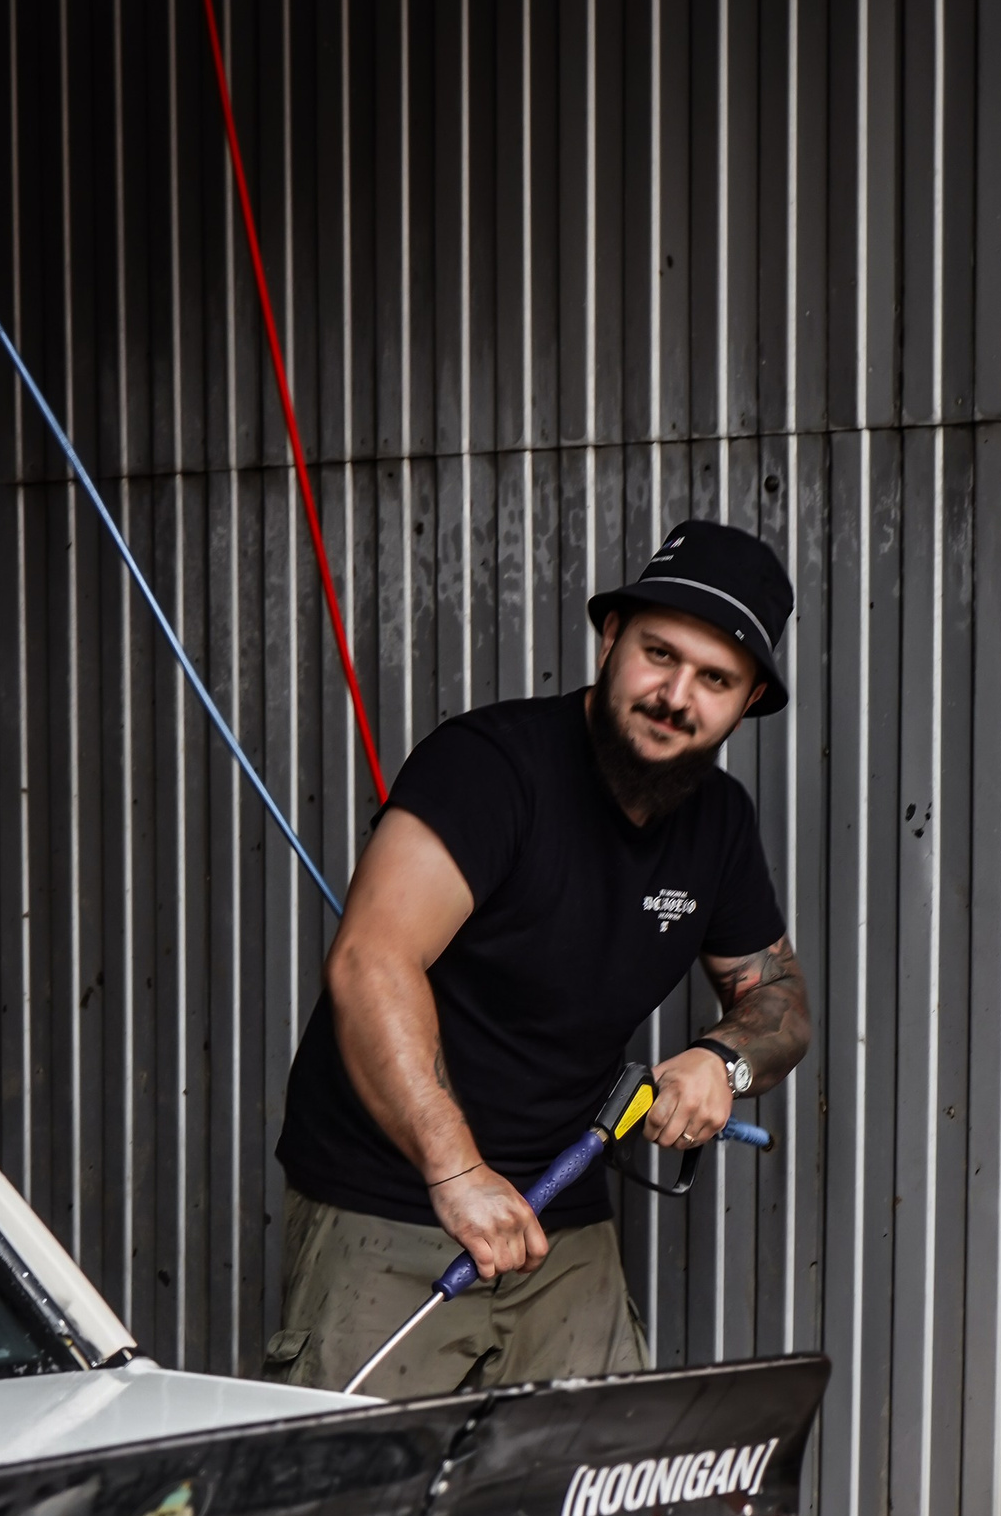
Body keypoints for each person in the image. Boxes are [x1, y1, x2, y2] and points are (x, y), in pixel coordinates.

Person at [266, 521, 812, 1397]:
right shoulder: (488, 768)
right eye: (659, 654)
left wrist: (724, 1061)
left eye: (714, 679)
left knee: (603, 1473)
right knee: (359, 1480)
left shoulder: (720, 822)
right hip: (390, 1203)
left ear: (747, 700)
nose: (675, 695)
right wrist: (456, 1170)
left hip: (561, 1212)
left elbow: (777, 994)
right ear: (610, 637)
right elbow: (373, 960)